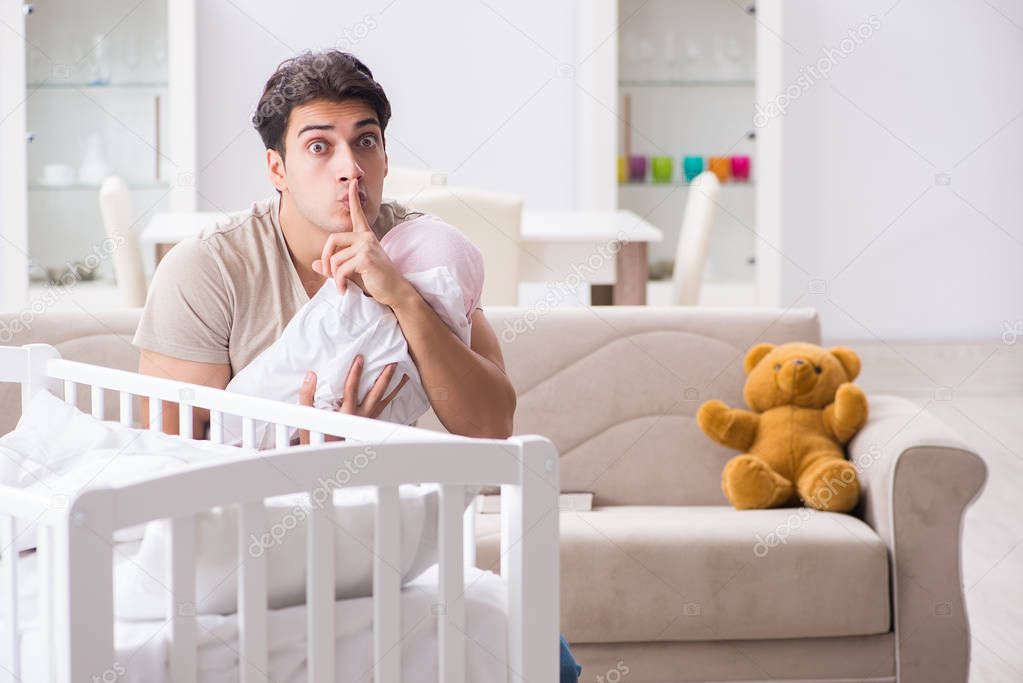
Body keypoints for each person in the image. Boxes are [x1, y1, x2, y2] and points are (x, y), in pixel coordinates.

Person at [134, 49, 580, 680]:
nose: (350, 169)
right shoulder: (209, 268)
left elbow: (490, 427)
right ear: (277, 168)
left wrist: (400, 296)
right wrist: (305, 454)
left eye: (365, 142)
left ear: (385, 157)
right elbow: (168, 466)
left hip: (380, 536)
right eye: (319, 147)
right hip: (247, 548)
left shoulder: (424, 252)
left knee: (541, 654)